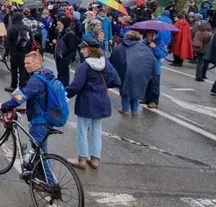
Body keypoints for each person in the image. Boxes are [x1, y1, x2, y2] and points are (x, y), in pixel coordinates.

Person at [0, 52, 57, 179]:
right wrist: (26, 109)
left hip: (39, 121)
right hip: (47, 116)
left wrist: (4, 106)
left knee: (41, 155)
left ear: (37, 63)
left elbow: (21, 97)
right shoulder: (46, 74)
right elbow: (40, 97)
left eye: (28, 63)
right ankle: (38, 176)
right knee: (39, 152)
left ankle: (51, 183)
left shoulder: (36, 80)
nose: (25, 65)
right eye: (25, 63)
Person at [66, 38, 121, 169]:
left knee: (82, 130)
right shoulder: (106, 63)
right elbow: (116, 80)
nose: (81, 51)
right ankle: (95, 159)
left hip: (87, 100)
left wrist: (63, 94)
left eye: (84, 48)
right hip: (102, 99)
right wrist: (102, 86)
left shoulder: (84, 66)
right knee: (97, 130)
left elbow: (76, 86)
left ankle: (81, 159)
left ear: (90, 50)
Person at [110, 31, 155, 116]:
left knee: (125, 90)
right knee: (136, 90)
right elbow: (151, 60)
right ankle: (135, 110)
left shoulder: (120, 46)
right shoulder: (143, 47)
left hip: (126, 72)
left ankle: (125, 109)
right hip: (140, 72)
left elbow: (114, 60)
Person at [5, 12, 32, 92]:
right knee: (23, 70)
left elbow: (7, 42)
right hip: (24, 52)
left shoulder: (11, 29)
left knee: (14, 70)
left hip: (14, 52)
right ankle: (22, 86)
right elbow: (31, 40)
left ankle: (13, 85)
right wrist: (28, 50)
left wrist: (6, 53)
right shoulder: (27, 28)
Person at [142, 29, 168, 108]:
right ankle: (146, 98)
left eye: (154, 34)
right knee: (146, 83)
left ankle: (154, 101)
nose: (152, 36)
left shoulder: (159, 42)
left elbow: (163, 54)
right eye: (150, 34)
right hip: (145, 66)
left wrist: (155, 47)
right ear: (147, 34)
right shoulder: (143, 42)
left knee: (154, 84)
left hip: (155, 67)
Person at [50, 16, 78, 87]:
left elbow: (71, 48)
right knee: (60, 74)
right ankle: (60, 89)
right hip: (59, 58)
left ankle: (64, 90)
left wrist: (63, 55)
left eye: (59, 25)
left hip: (63, 59)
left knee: (63, 76)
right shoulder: (62, 32)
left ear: (64, 24)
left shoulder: (69, 33)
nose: (58, 26)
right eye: (57, 24)